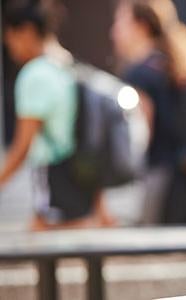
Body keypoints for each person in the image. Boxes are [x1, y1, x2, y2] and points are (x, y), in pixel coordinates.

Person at [0, 0, 114, 229]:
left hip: (54, 177)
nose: (8, 45)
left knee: (46, 245)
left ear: (27, 32)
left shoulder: (35, 74)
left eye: (10, 36)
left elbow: (22, 148)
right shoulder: (68, 64)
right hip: (82, 174)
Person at [110, 0, 186, 224]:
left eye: (120, 21)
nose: (114, 31)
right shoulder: (173, 63)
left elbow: (140, 133)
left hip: (160, 176)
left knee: (153, 246)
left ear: (141, 26)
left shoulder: (139, 73)